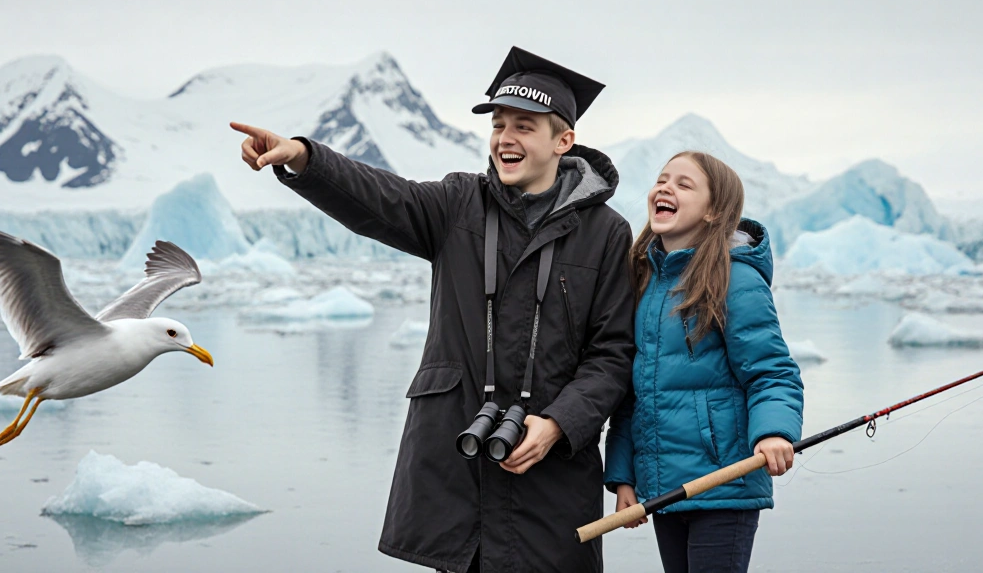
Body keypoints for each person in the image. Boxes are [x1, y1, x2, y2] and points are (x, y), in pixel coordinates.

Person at [231, 47, 636, 573]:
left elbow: (612, 354)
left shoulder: (606, 234)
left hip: (551, 477)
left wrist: (558, 424)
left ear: (564, 141)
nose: (505, 138)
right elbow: (379, 197)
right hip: (457, 472)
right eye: (499, 124)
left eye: (524, 126)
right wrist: (305, 158)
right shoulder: (457, 204)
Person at [603, 151, 804, 573]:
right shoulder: (644, 281)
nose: (665, 188)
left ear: (714, 211)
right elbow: (633, 392)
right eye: (661, 179)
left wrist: (773, 432)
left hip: (725, 480)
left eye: (683, 184)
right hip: (666, 486)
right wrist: (624, 476)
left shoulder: (735, 278)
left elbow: (772, 372)